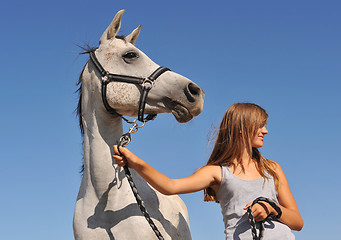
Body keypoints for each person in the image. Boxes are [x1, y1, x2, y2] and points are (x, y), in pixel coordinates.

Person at [113, 103, 303, 239]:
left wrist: (271, 208)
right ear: (242, 128)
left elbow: (297, 222)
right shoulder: (217, 172)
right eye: (260, 125)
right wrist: (136, 163)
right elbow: (170, 186)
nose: (266, 131)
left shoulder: (272, 168)